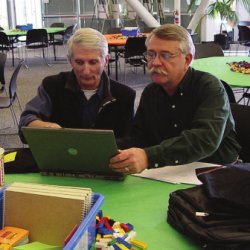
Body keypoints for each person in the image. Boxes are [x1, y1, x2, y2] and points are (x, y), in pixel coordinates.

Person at [109, 24, 241, 174]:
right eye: (151, 54)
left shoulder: (209, 87)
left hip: (216, 170)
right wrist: (111, 150)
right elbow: (140, 137)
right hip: (170, 171)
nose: (155, 62)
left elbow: (204, 139)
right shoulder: (150, 93)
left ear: (187, 60)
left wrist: (148, 157)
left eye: (165, 55)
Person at [19, 28, 136, 141]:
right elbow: (26, 122)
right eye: (79, 62)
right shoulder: (52, 86)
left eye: (93, 62)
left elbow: (130, 139)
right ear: (70, 61)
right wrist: (49, 128)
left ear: (105, 61)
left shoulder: (125, 96)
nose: (86, 71)